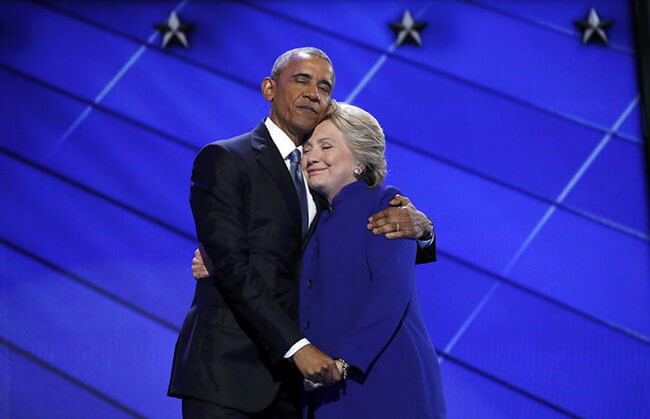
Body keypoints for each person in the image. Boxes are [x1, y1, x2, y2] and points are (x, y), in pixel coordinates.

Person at [169, 47, 436, 418]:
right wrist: (297, 347)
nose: (314, 92)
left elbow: (366, 249)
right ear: (268, 88)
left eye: (324, 86)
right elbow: (233, 262)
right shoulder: (226, 159)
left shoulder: (326, 184)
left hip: (304, 387)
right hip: (230, 375)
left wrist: (424, 229)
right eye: (301, 80)